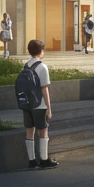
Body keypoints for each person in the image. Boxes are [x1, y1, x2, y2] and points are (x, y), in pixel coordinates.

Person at [20, 39, 58, 169]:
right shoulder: (42, 67)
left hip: (27, 104)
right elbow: (44, 88)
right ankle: (44, 159)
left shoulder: (26, 66)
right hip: (39, 104)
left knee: (29, 131)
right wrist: (49, 108)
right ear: (41, 51)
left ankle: (31, 161)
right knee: (43, 130)